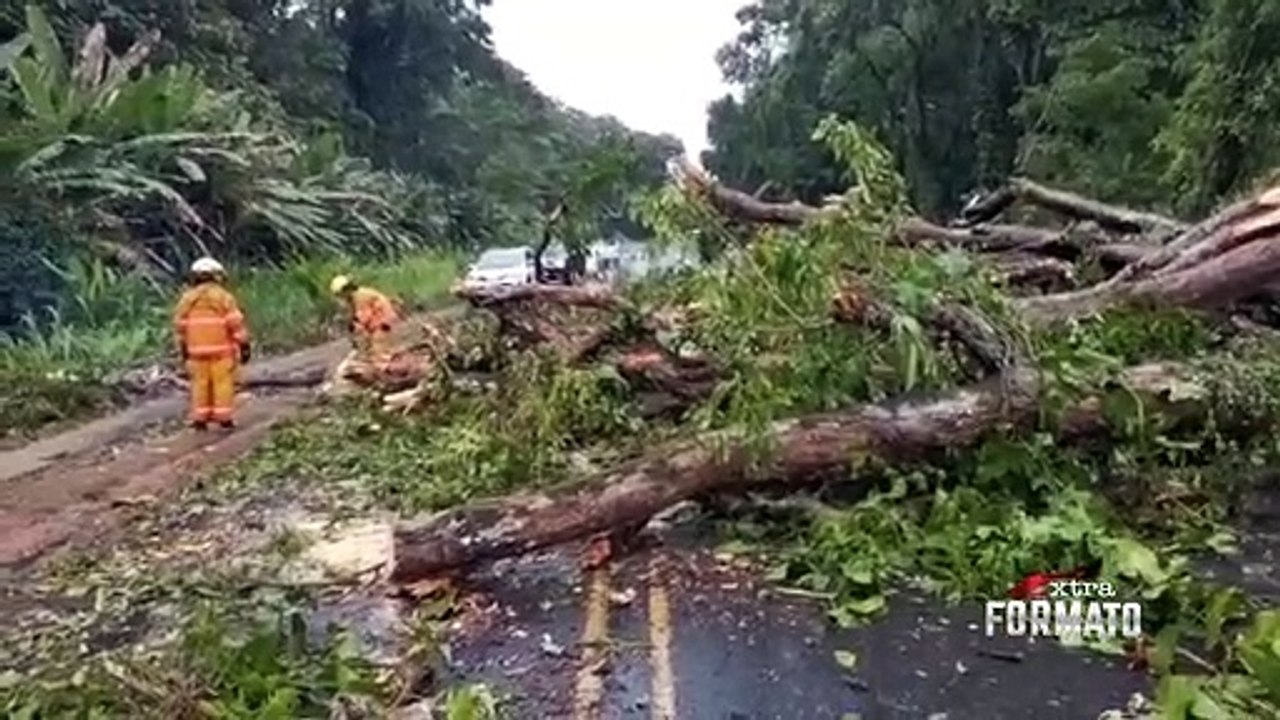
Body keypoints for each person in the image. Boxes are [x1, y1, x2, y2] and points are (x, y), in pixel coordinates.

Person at [173, 257, 250, 430]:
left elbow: (180, 325)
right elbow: (234, 323)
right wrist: (244, 344)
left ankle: (200, 419)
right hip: (221, 352)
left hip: (195, 352)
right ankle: (224, 419)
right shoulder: (223, 297)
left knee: (199, 384)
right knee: (222, 384)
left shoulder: (187, 299)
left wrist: (183, 347)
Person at [329, 275, 400, 363]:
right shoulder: (354, 297)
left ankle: (386, 368)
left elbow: (363, 317)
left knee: (379, 347)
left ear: (345, 290)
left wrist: (357, 327)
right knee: (372, 347)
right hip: (377, 319)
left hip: (382, 319)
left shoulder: (360, 296)